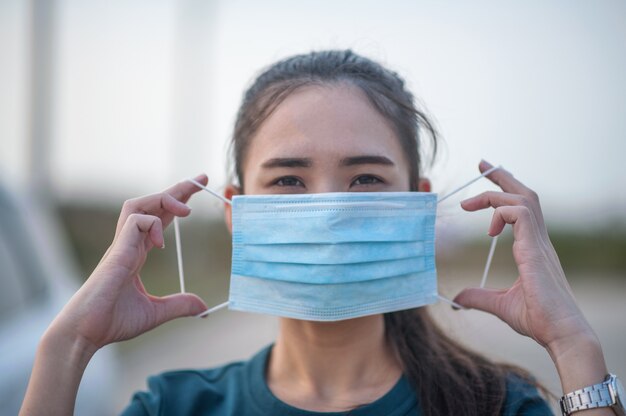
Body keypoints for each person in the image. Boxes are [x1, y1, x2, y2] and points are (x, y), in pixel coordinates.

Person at [20, 50, 619, 416]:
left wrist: (573, 346)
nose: (330, 211)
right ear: (235, 209)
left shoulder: (499, 407)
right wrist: (66, 345)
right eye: (287, 180)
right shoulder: (175, 408)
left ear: (418, 203)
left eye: (364, 178)